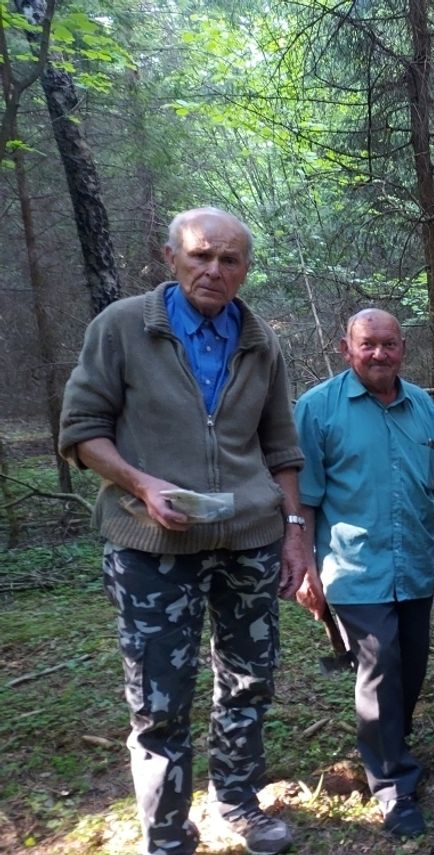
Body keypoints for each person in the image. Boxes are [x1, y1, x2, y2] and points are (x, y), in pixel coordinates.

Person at [58, 207, 306, 855]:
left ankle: (237, 802)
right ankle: (167, 831)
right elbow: (81, 431)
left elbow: (282, 446)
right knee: (159, 699)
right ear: (170, 257)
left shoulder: (260, 339)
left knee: (250, 681)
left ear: (245, 269)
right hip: (151, 544)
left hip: (248, 538)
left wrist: (295, 532)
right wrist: (142, 483)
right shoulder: (122, 327)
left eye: (230, 260)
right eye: (201, 255)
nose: (214, 270)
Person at [292, 308, 434, 839]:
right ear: (347, 349)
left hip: (413, 564)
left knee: (410, 665)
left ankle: (394, 738)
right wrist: (303, 564)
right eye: (367, 344)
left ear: (403, 349)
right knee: (380, 666)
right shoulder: (317, 409)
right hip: (352, 567)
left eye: (388, 344)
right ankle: (392, 786)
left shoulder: (424, 408)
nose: (378, 354)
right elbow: (302, 498)